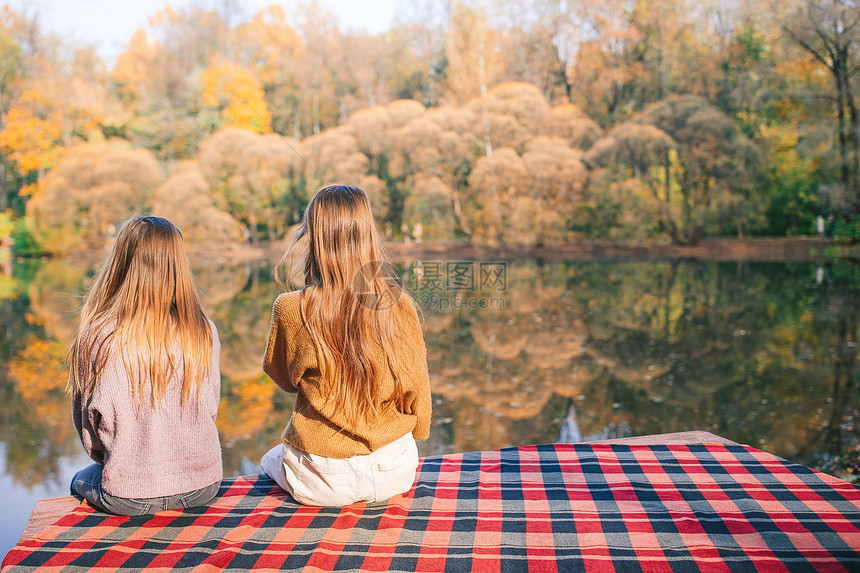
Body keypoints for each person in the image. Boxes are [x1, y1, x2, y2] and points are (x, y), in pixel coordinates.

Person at [260, 184, 432, 507]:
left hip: (320, 480)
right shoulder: (400, 306)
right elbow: (418, 398)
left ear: (314, 239)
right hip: (392, 472)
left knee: (269, 458)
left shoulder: (289, 308)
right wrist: (416, 433)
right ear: (369, 235)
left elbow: (284, 380)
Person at [67, 215, 223, 515]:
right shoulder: (203, 329)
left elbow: (89, 429)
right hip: (203, 487)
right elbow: (210, 408)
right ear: (178, 265)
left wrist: (121, 459)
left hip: (129, 495)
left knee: (79, 480)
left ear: (121, 262)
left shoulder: (99, 333)